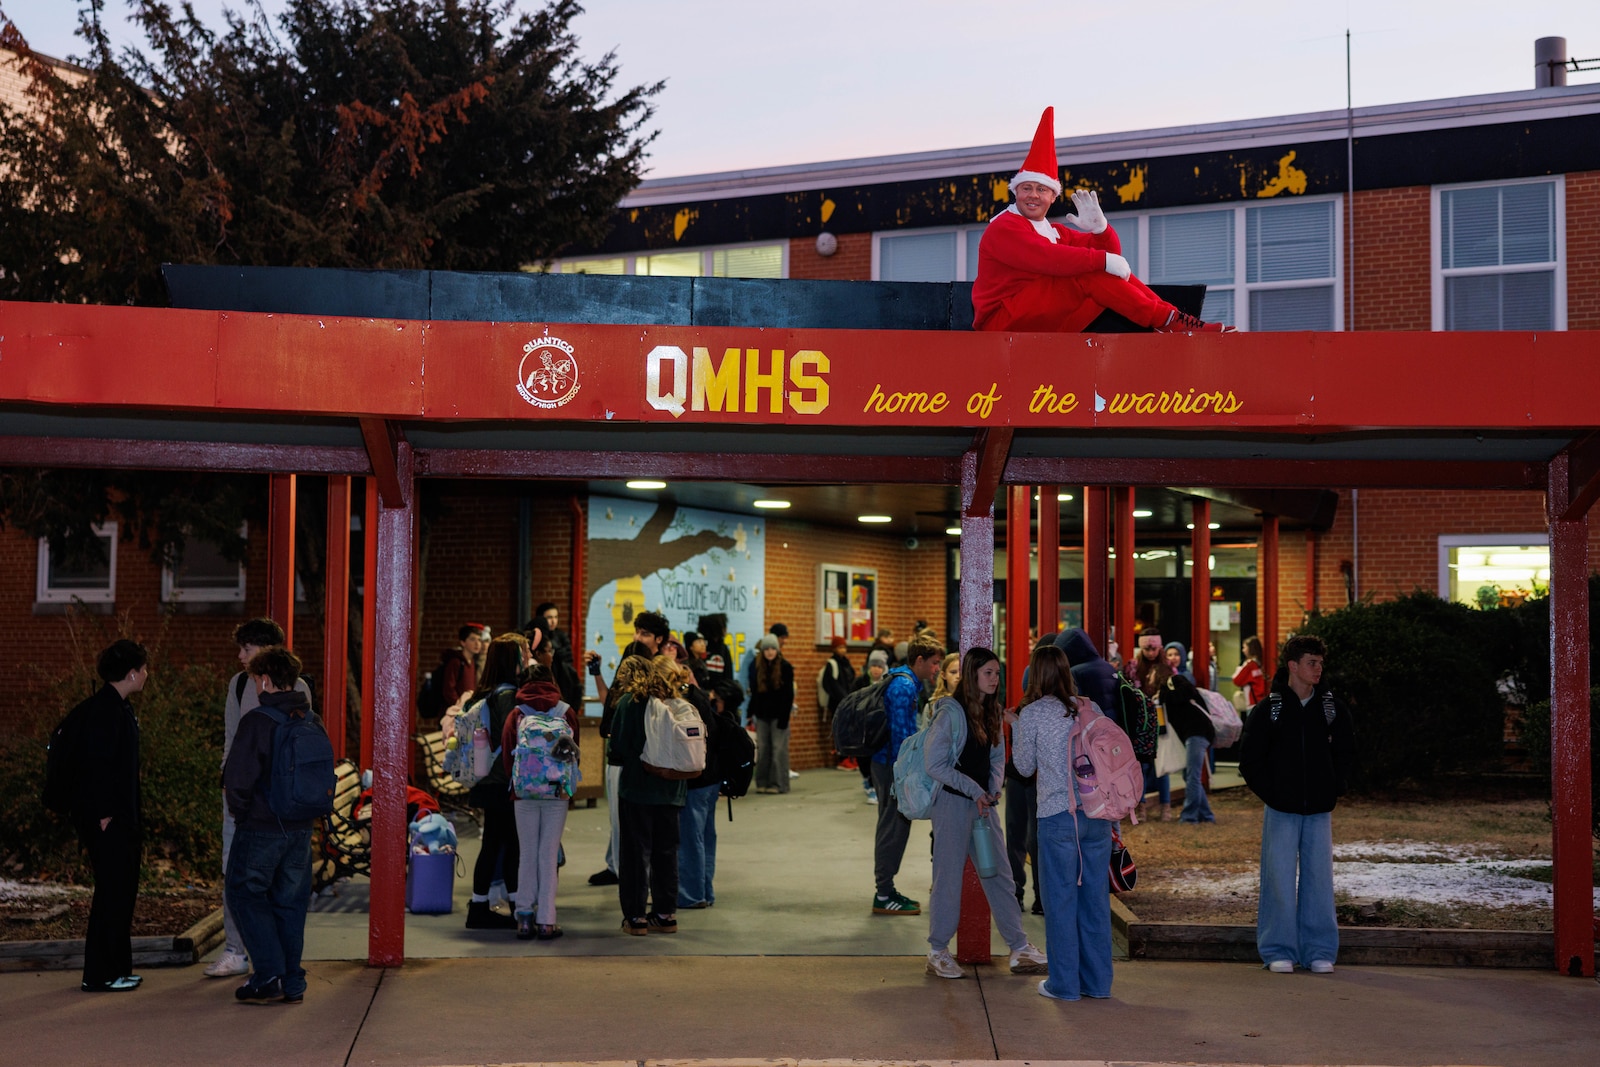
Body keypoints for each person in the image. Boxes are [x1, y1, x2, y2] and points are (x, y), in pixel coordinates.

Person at [972, 107, 1233, 335]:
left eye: (1041, 190)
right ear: (1015, 191)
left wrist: (1101, 230)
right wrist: (1102, 260)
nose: (1033, 195)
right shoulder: (1004, 227)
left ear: (1053, 196)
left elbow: (1108, 255)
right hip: (1001, 323)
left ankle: (1174, 320)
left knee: (1099, 270)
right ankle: (1167, 322)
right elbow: (1048, 257)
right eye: (1026, 188)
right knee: (1089, 272)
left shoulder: (1055, 232)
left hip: (1039, 321)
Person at [922, 646, 1048, 980]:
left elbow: (995, 758)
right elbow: (934, 764)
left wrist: (991, 791)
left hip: (982, 808)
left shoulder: (991, 711)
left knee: (1000, 876)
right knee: (948, 878)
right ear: (973, 673)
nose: (995, 679)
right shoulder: (950, 712)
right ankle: (937, 951)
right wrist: (975, 791)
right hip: (951, 805)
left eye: (997, 673)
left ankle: (1019, 948)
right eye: (988, 673)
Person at [1239, 635, 1356, 975]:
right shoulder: (1269, 710)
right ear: (1293, 666)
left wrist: (1335, 787)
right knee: (1277, 878)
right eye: (1311, 662)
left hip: (1319, 808)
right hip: (1281, 809)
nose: (1318, 669)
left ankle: (1320, 950)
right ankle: (1278, 949)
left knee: (1320, 879)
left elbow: (1347, 753)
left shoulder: (1333, 709)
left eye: (1320, 662)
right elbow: (1250, 760)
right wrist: (1273, 795)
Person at [208, 617, 314, 979]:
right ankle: (240, 952)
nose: (240, 656)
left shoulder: (297, 688)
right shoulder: (238, 686)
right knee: (238, 875)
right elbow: (230, 739)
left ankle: (268, 966)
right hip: (252, 804)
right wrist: (230, 792)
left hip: (275, 808)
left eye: (247, 649)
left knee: (254, 883)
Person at [1012, 644, 1115, 1002]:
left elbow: (1023, 767)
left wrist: (1015, 728)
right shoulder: (1091, 708)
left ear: (1035, 674)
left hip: (1057, 819)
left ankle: (1065, 985)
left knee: (1060, 903)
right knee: (1095, 903)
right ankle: (1099, 983)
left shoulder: (1033, 713)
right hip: (1097, 817)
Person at [223, 646, 326, 1004]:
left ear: (264, 680)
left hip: (262, 826)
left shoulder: (258, 721)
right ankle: (292, 980)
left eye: (255, 679)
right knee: (290, 903)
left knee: (243, 892)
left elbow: (237, 779)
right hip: (300, 827)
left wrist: (242, 812)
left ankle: (268, 973)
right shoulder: (310, 720)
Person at [70, 639, 149, 993]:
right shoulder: (107, 711)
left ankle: (116, 968)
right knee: (112, 894)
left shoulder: (116, 707)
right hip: (111, 820)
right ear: (131, 673)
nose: (147, 675)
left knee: (120, 893)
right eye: (144, 669)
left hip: (121, 818)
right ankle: (101, 973)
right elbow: (98, 766)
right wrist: (104, 814)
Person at [610, 655, 689, 935]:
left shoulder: (630, 703)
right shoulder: (678, 702)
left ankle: (635, 918)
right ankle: (666, 914)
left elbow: (617, 748)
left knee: (635, 854)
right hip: (672, 789)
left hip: (637, 789)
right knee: (666, 853)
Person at [502, 662, 577, 940]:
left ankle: (523, 917)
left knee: (527, 853)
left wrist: (520, 784)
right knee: (548, 854)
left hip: (524, 793)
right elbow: (573, 754)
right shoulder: (565, 712)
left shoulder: (517, 713)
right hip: (557, 792)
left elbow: (509, 755)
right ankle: (546, 921)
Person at [869, 634, 943, 916]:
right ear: (919, 660)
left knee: (893, 826)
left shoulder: (900, 678)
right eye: (934, 663)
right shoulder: (904, 685)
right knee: (893, 827)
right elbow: (903, 737)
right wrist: (913, 771)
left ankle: (886, 889)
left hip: (885, 764)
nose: (936, 669)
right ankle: (884, 893)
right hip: (891, 767)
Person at [462, 633, 530, 931]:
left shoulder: (484, 693)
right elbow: (514, 740)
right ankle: (512, 909)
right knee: (509, 845)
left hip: (486, 780)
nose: (525, 661)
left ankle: (483, 906)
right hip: (502, 782)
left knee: (495, 843)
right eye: (521, 656)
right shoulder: (508, 696)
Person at [1126, 629, 1173, 821]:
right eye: (1146, 648)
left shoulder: (1167, 666)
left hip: (1162, 720)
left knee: (1162, 767)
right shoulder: (1133, 666)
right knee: (1142, 766)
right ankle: (1141, 807)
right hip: (1141, 722)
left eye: (1153, 648)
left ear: (1159, 647)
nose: (1150, 652)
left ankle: (1166, 807)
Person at [1160, 668, 1216, 823]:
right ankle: (1206, 815)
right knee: (1190, 775)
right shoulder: (1169, 692)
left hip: (1197, 733)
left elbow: (1186, 692)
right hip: (1195, 734)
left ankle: (1189, 817)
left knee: (1192, 776)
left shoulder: (1175, 684)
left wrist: (1162, 695)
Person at [748, 634, 795, 794]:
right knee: (763, 750)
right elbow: (755, 693)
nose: (769, 652)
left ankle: (778, 783)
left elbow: (788, 695)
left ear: (777, 650)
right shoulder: (757, 667)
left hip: (779, 716)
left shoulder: (785, 667)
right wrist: (750, 711)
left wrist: (784, 717)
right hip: (762, 715)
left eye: (773, 648)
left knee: (778, 750)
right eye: (766, 649)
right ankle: (762, 782)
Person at [436, 623, 487, 710]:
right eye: (472, 639)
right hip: (455, 713)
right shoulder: (456, 662)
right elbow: (448, 690)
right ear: (463, 642)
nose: (477, 643)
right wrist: (459, 707)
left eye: (479, 640)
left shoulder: (473, 663)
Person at [1232, 635, 1268, 707]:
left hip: (1253, 703)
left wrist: (1240, 668)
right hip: (1262, 701)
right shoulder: (1260, 663)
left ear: (1250, 649)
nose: (1243, 650)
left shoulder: (1250, 665)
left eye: (1244, 647)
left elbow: (1237, 680)